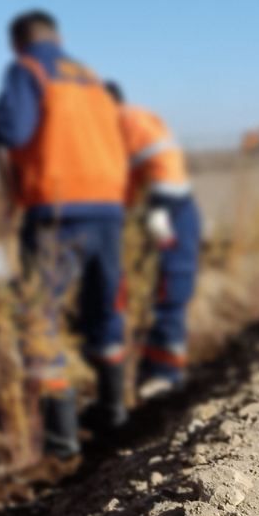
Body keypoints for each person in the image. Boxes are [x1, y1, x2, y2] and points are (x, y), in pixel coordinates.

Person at [0, 10, 129, 457]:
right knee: (104, 309)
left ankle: (60, 439)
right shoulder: (90, 78)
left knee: (42, 316)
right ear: (58, 36)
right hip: (109, 209)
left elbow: (13, 131)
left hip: (58, 213)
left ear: (18, 42)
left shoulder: (28, 68)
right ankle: (115, 414)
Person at [107, 81, 202, 399]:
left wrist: (159, 209)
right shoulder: (118, 127)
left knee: (171, 288)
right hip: (155, 215)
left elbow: (166, 163)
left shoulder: (128, 119)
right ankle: (152, 373)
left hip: (171, 213)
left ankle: (166, 376)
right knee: (153, 293)